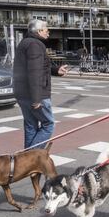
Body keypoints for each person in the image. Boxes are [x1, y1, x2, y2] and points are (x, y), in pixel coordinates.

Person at [13, 19, 68, 149]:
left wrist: (55, 70)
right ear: (38, 31)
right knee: (48, 124)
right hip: (36, 95)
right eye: (46, 29)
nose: (48, 32)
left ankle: (27, 160)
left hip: (22, 93)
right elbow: (35, 72)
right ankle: (30, 156)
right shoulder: (35, 45)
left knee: (31, 125)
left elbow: (35, 68)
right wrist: (37, 99)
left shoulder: (25, 43)